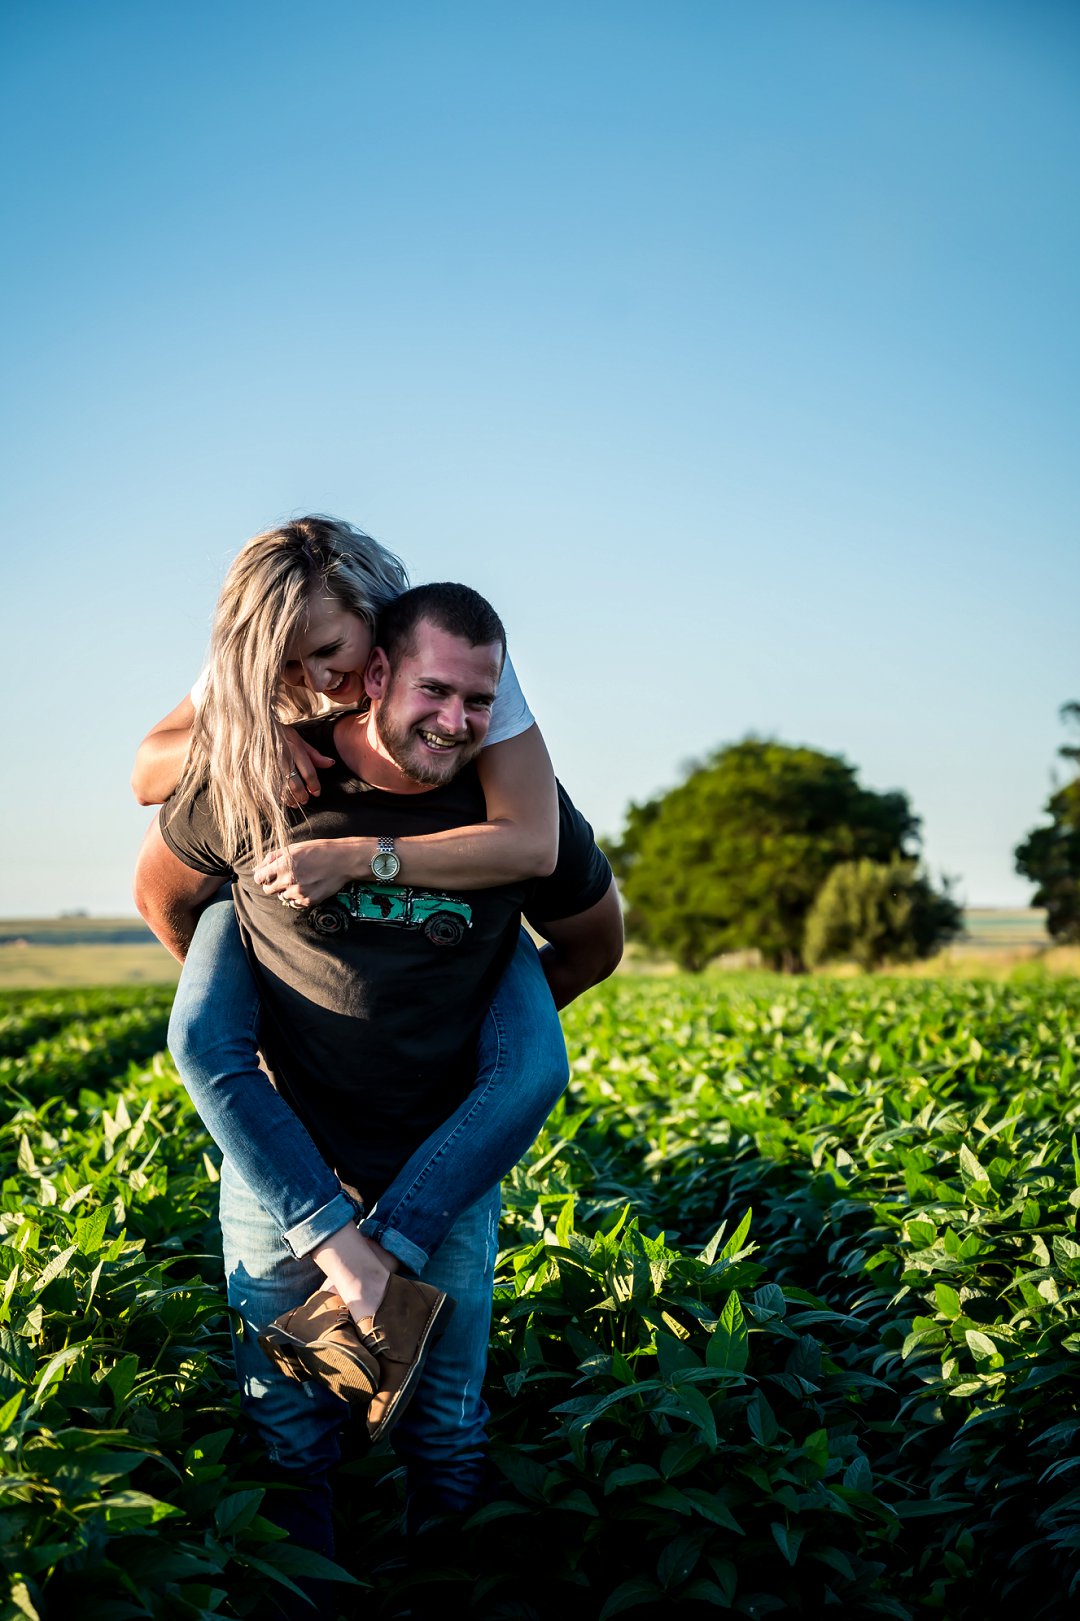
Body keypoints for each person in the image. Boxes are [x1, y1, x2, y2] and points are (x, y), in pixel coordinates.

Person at [134, 582, 623, 1580]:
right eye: (435, 692)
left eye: (478, 702)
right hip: (284, 1173)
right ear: (375, 676)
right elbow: (160, 891)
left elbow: (591, 936)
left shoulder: (499, 812)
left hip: (440, 1171)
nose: (457, 721)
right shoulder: (266, 775)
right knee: (289, 1446)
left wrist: (484, 1020)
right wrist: (252, 1002)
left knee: (444, 1437)